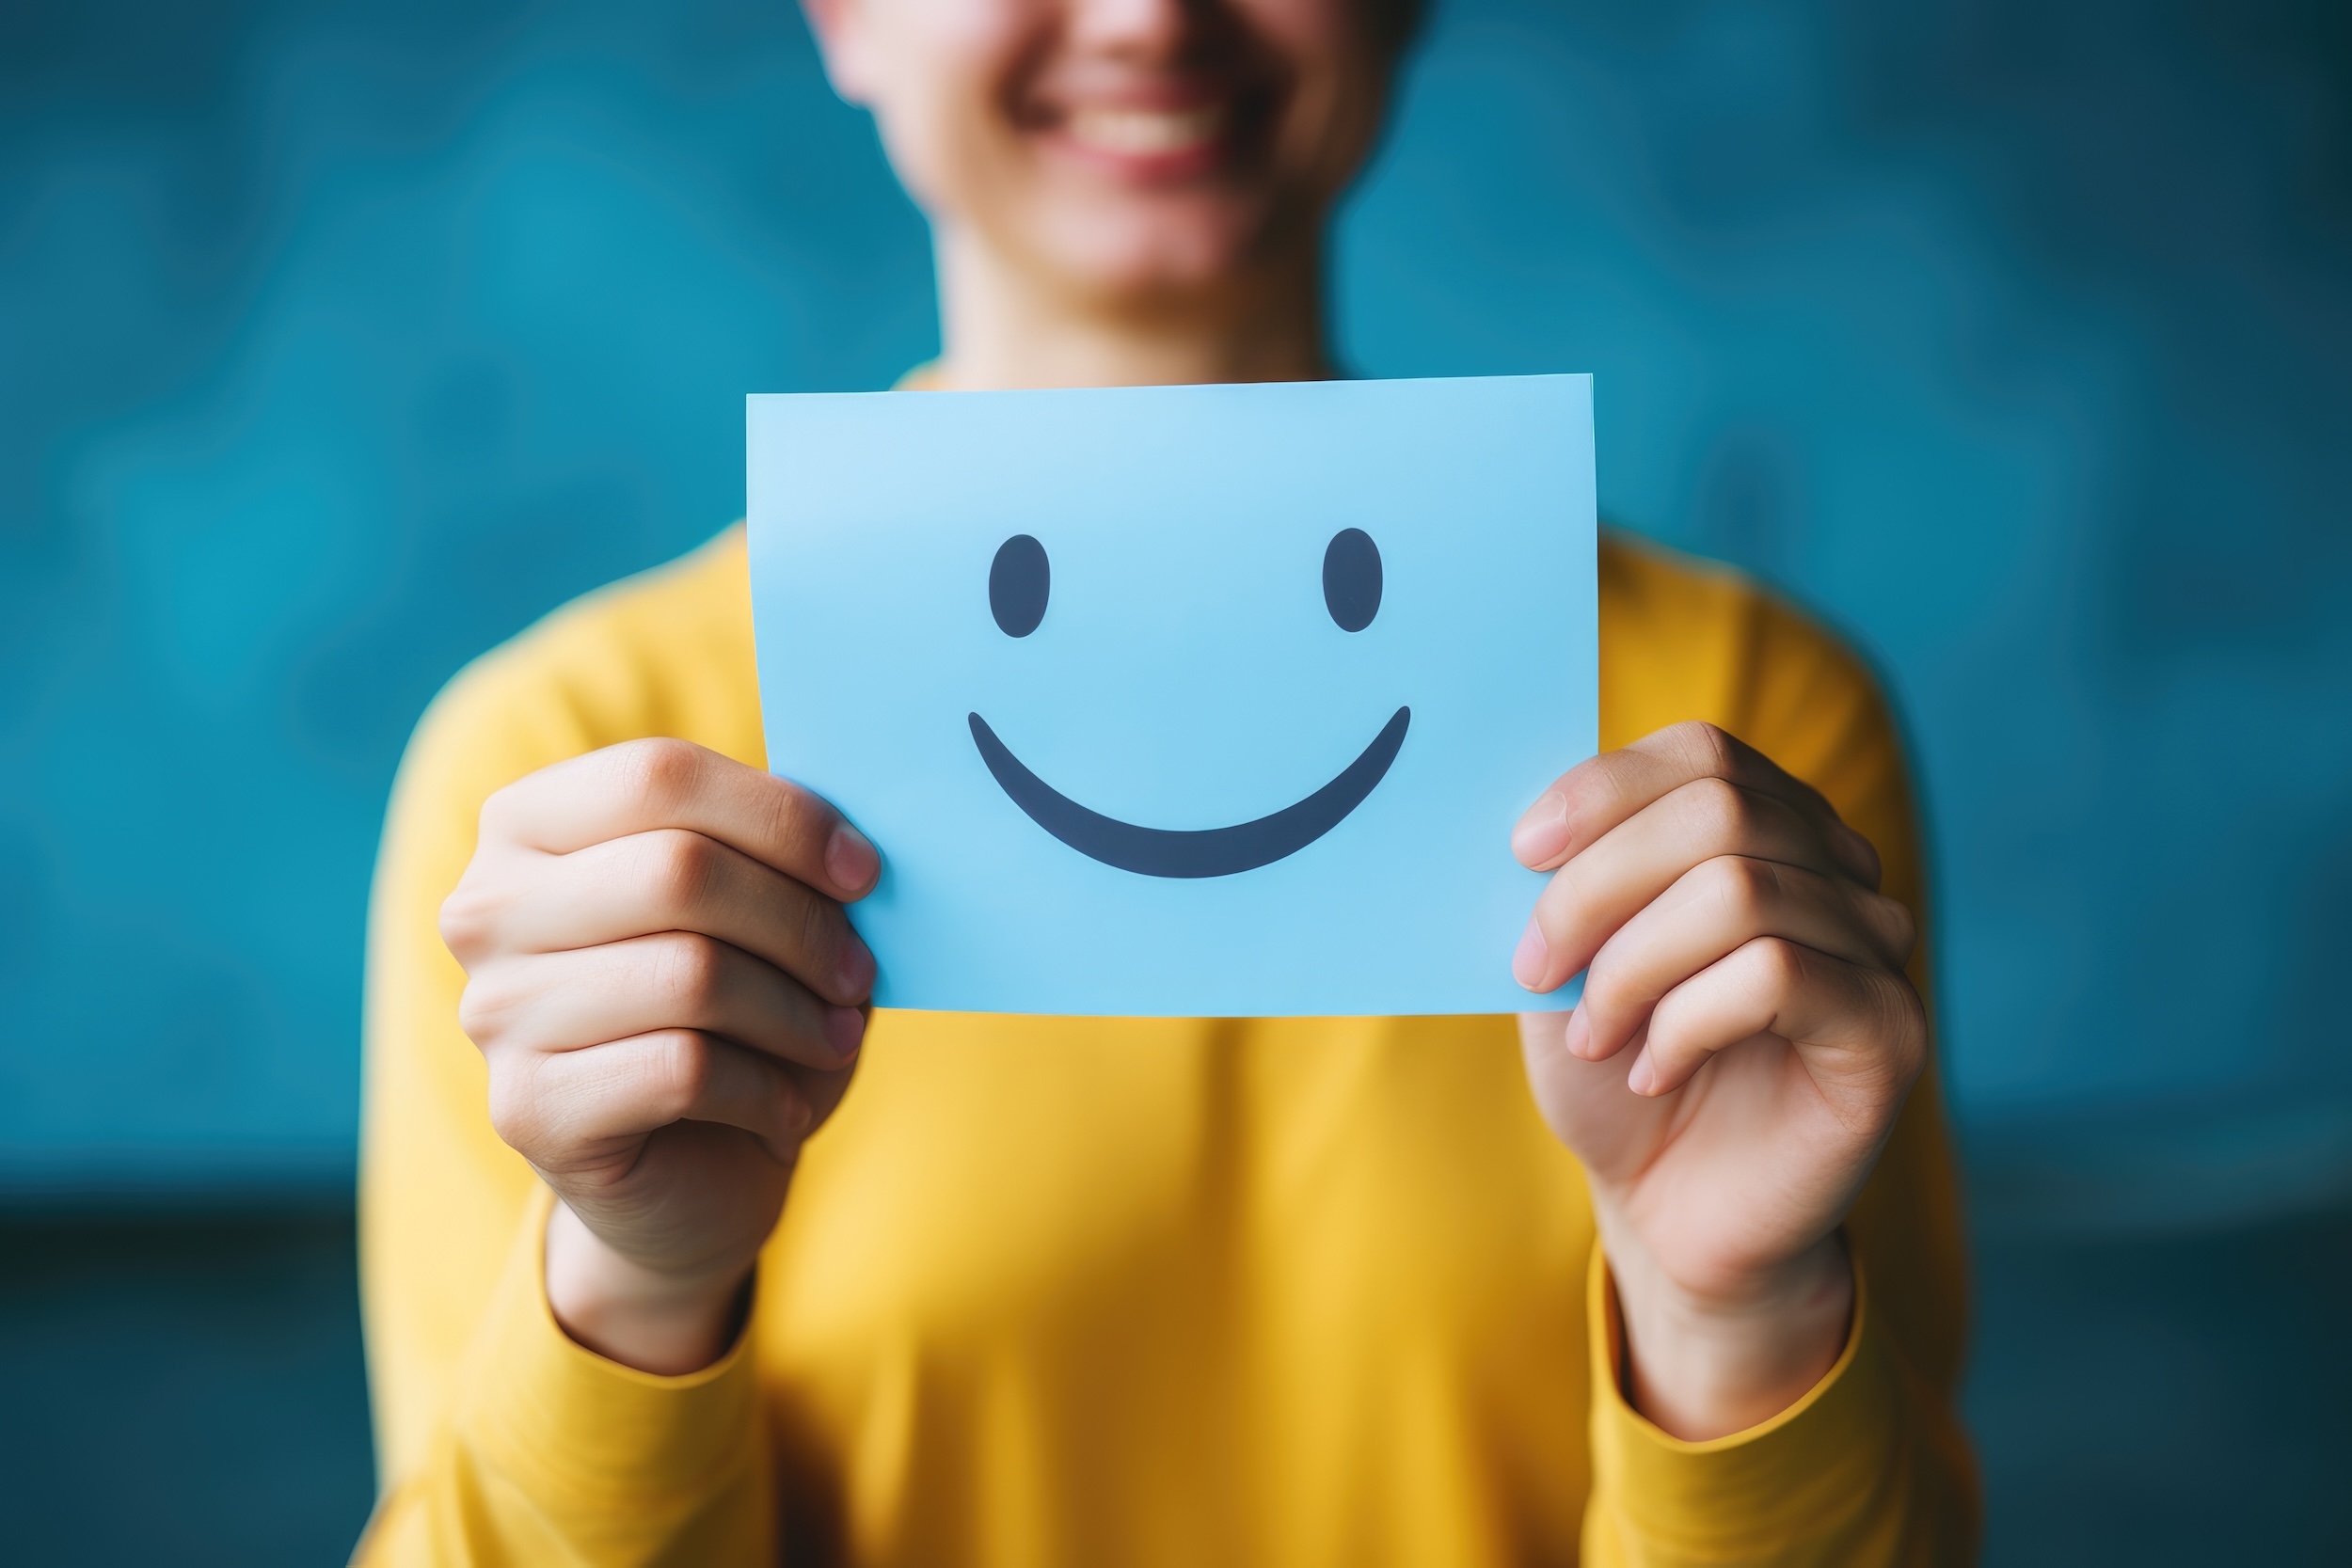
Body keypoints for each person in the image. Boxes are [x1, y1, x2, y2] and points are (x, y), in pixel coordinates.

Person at [355, 0, 1975, 1560]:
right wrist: (631, 1287)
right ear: (845, 11)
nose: (1148, 15)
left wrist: (1732, 1316)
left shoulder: (1742, 743)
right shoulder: (564, 785)